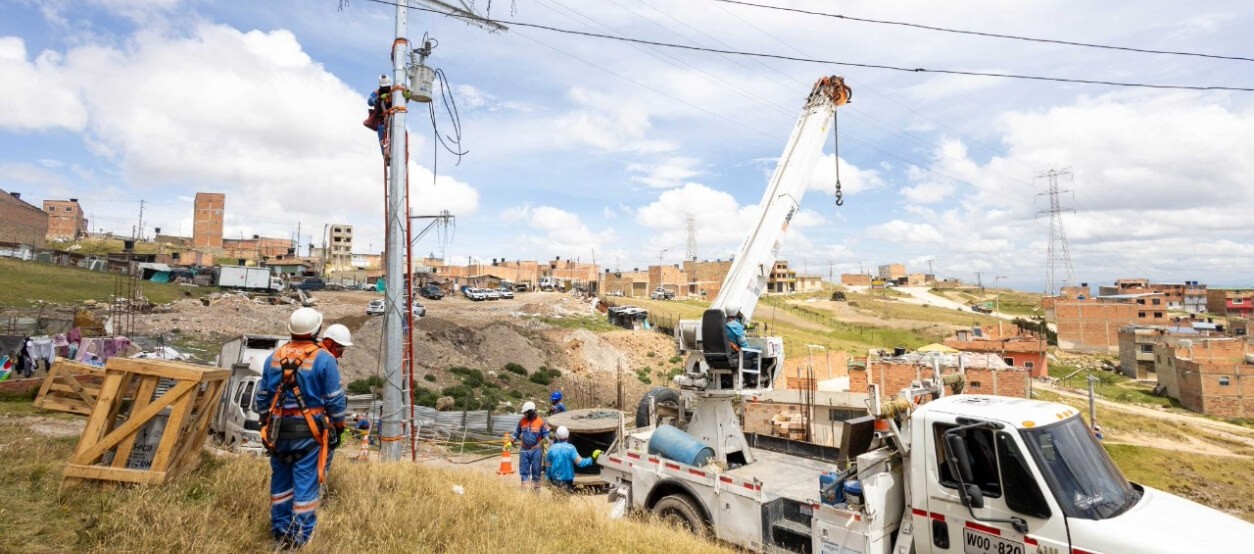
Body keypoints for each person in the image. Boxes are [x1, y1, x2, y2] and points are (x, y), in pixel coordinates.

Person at [255, 308, 348, 549]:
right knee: (305, 486)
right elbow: (334, 400)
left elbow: (263, 397)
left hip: (277, 431)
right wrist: (339, 426)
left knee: (281, 485)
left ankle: (280, 534)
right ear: (317, 330)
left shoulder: (274, 356)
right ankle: (298, 540)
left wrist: (265, 423)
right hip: (309, 434)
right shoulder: (324, 359)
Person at [320, 324, 353, 473]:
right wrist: (339, 427)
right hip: (320, 426)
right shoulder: (327, 360)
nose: (341, 355)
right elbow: (335, 398)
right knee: (319, 470)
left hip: (291, 424)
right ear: (329, 342)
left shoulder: (308, 356)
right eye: (340, 349)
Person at [545, 425, 600, 493]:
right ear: (567, 435)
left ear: (557, 436)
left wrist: (548, 478)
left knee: (556, 501)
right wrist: (592, 458)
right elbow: (580, 463)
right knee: (565, 500)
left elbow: (548, 466)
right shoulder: (571, 449)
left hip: (555, 480)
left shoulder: (551, 449)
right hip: (567, 480)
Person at [511, 401, 549, 492]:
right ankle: (524, 491)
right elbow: (516, 433)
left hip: (536, 450)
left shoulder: (541, 422)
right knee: (524, 472)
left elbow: (546, 437)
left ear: (531, 411)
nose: (524, 414)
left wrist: (540, 443)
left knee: (536, 472)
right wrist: (512, 440)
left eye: (526, 412)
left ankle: (535, 493)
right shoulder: (522, 421)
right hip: (524, 450)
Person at [723, 304, 760, 385]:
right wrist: (749, 349)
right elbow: (743, 344)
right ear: (736, 312)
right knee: (758, 349)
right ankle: (752, 378)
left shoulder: (722, 323)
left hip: (725, 354)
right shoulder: (736, 326)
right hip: (735, 354)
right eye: (738, 311)